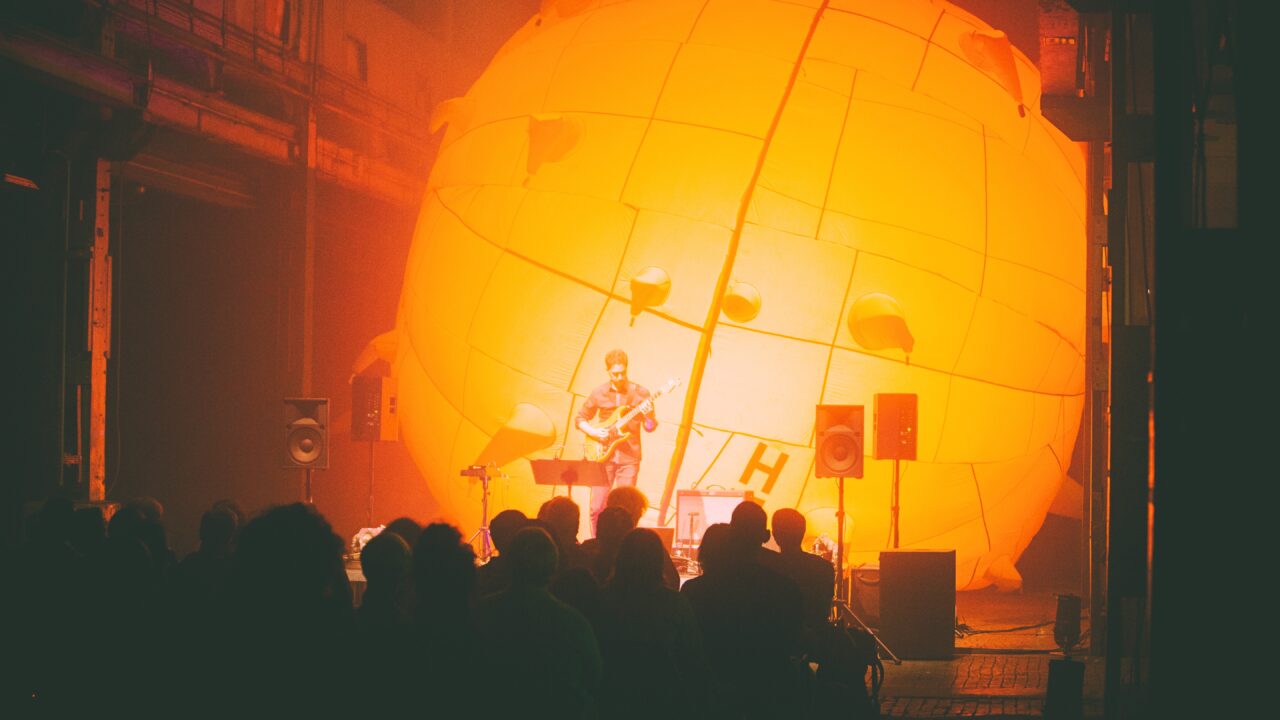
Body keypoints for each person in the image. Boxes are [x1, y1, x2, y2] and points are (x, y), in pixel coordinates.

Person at [576, 348, 657, 529]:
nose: (620, 378)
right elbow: (580, 419)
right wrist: (594, 432)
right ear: (608, 372)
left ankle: (625, 547)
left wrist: (647, 416)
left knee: (627, 510)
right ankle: (597, 545)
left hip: (629, 458)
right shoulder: (599, 392)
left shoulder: (641, 393)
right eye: (615, 374)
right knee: (597, 508)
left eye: (623, 373)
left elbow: (650, 427)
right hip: (603, 457)